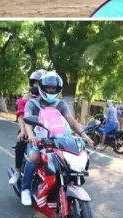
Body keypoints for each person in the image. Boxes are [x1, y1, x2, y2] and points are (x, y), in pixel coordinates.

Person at [21, 72, 94, 206]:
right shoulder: (32, 103)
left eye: (54, 88)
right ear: (42, 87)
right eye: (48, 88)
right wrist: (31, 135)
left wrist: (84, 135)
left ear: (58, 89)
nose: (51, 90)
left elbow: (72, 122)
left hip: (58, 141)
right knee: (33, 157)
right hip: (39, 140)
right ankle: (25, 188)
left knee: (70, 161)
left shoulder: (61, 104)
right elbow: (27, 121)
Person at [9, 70, 46, 185]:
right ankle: (17, 172)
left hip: (44, 130)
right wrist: (24, 130)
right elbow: (21, 116)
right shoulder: (26, 98)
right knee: (21, 141)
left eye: (40, 83)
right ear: (32, 83)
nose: (38, 85)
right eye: (36, 83)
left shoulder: (48, 99)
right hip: (27, 126)